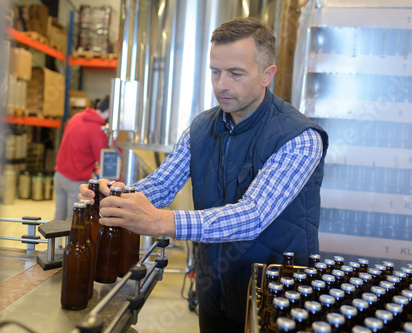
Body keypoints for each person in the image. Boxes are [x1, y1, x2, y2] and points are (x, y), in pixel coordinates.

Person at [79, 17, 329, 333]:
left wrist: (160, 221)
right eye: (215, 71)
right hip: (214, 292)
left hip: (274, 299)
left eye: (236, 74)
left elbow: (253, 215)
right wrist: (115, 195)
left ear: (267, 75)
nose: (221, 84)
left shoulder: (299, 136)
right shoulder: (201, 127)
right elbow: (161, 183)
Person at [54, 96, 110, 222]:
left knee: (58, 220)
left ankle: (53, 242)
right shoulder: (97, 130)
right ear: (109, 111)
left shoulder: (77, 117)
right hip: (75, 182)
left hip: (59, 176)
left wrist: (94, 168)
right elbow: (105, 161)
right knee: (72, 221)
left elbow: (75, 147)